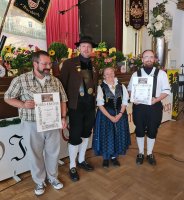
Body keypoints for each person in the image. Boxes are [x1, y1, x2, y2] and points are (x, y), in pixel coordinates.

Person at [4, 50, 68, 195]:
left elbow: (63, 99)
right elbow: (8, 97)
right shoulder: (21, 79)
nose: (48, 66)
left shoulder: (55, 80)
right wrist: (23, 104)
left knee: (53, 153)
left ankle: (53, 178)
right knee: (35, 154)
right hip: (31, 124)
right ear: (35, 63)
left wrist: (63, 117)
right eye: (44, 63)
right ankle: (39, 182)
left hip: (52, 123)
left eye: (49, 63)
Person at [60, 36, 98, 182]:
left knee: (86, 133)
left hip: (90, 107)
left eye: (88, 46)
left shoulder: (95, 66)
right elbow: (62, 86)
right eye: (83, 46)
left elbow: (94, 86)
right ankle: (72, 166)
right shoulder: (69, 64)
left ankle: (81, 160)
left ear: (91, 49)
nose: (86, 49)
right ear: (78, 48)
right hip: (75, 107)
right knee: (75, 136)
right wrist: (63, 108)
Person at [127, 50, 171, 166]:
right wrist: (133, 98)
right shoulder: (136, 74)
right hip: (139, 107)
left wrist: (156, 99)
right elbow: (130, 90)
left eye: (151, 57)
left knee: (152, 130)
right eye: (146, 57)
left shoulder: (161, 74)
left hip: (154, 106)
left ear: (154, 59)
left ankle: (150, 153)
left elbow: (166, 91)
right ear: (142, 59)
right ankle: (141, 153)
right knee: (140, 129)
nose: (148, 59)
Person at [93, 67, 131, 168]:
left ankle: (114, 157)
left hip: (120, 115)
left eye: (111, 73)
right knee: (107, 136)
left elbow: (125, 102)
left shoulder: (121, 86)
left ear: (114, 74)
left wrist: (120, 114)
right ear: (104, 76)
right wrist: (110, 117)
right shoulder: (100, 87)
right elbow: (100, 105)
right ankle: (105, 158)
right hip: (105, 116)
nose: (109, 75)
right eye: (107, 74)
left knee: (117, 135)